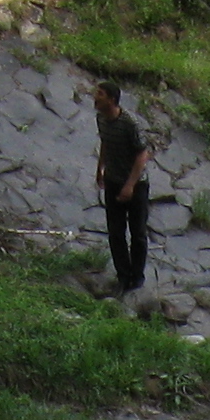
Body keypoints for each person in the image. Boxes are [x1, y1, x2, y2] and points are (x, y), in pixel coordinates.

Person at [93, 81, 150, 292]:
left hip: (136, 185)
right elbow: (105, 143)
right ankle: (123, 275)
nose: (95, 97)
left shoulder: (130, 123)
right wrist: (100, 168)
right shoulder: (101, 119)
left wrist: (130, 185)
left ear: (112, 99)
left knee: (138, 233)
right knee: (115, 232)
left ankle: (137, 276)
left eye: (100, 94)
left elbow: (142, 154)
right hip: (112, 181)